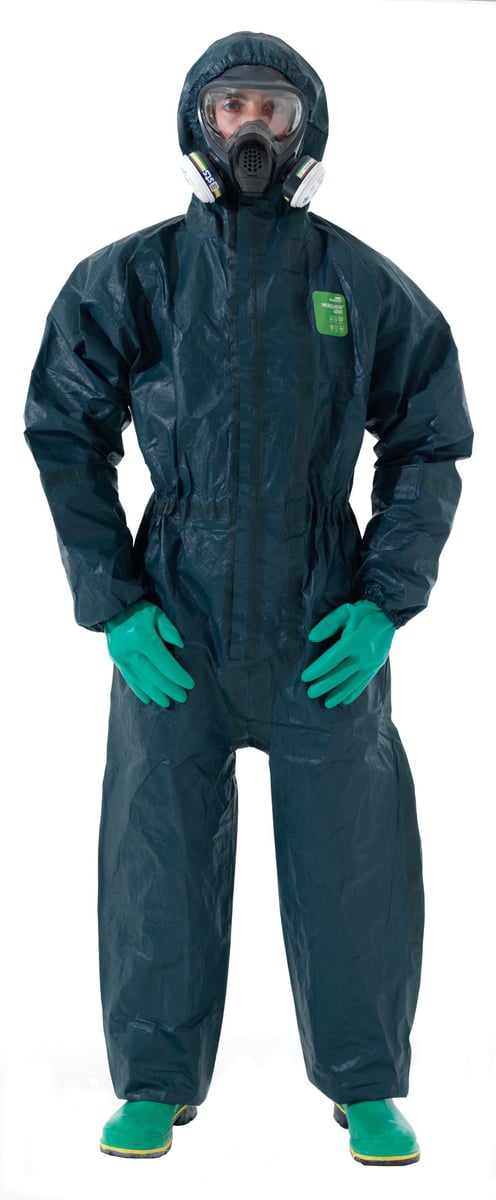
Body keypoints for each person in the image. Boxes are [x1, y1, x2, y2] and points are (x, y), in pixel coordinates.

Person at [23, 30, 473, 1166]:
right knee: (156, 851)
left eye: (272, 108)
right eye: (231, 109)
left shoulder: (356, 283)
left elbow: (429, 437)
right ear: (198, 123)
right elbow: (65, 430)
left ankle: (365, 1083)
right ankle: (154, 1081)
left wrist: (386, 599)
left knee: (354, 857)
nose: (253, 131)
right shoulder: (136, 277)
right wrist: (114, 602)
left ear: (305, 126)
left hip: (325, 617)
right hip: (175, 614)